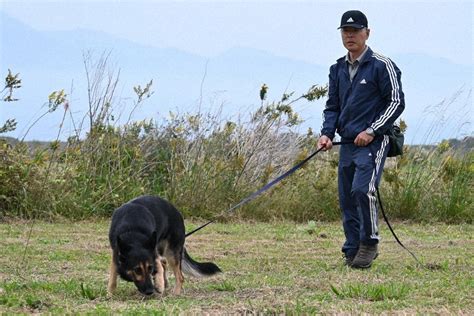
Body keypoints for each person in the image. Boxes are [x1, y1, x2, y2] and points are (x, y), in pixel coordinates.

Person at [317, 10, 405, 269]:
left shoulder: (382, 65)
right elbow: (332, 105)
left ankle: (369, 243)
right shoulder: (337, 68)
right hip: (346, 142)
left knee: (362, 190)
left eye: (355, 31)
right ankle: (352, 247)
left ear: (368, 33)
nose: (350, 35)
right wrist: (326, 134)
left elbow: (396, 102)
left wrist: (372, 130)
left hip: (375, 141)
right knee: (346, 196)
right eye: (346, 31)